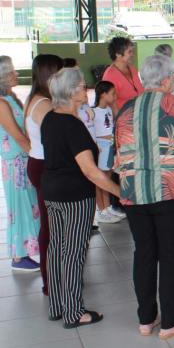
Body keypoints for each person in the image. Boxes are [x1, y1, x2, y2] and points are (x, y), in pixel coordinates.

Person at [114, 55, 174, 339]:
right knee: (170, 255)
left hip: (133, 191)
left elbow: (119, 151)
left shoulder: (125, 108)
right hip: (170, 191)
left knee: (144, 252)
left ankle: (146, 319)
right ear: (166, 80)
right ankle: (171, 321)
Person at [41, 68, 120, 328]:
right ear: (73, 92)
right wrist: (120, 192)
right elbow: (89, 170)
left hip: (52, 191)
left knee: (56, 248)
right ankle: (74, 312)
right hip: (74, 196)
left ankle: (57, 306)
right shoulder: (72, 125)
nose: (86, 90)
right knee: (73, 252)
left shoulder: (50, 118)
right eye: (83, 86)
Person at [24, 54, 63, 294]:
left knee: (50, 226)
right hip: (45, 166)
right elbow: (58, 140)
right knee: (50, 228)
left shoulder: (37, 98)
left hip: (40, 163)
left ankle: (53, 278)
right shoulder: (44, 104)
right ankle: (51, 281)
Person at [0, 56, 40, 272]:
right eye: (12, 72)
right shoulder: (1, 104)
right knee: (19, 206)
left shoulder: (10, 98)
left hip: (23, 158)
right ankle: (18, 256)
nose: (16, 75)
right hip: (15, 162)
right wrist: (37, 156)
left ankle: (28, 248)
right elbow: (18, 136)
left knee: (29, 204)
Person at [91, 81, 125, 225]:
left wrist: (114, 105)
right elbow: (92, 131)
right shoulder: (93, 112)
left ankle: (108, 207)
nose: (115, 96)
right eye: (112, 94)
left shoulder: (110, 110)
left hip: (110, 146)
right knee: (100, 179)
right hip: (101, 147)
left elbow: (118, 119)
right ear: (103, 94)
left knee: (108, 176)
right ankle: (101, 209)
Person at [102, 37, 144, 113]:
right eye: (129, 52)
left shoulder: (132, 69)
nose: (132, 54)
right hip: (123, 119)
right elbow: (110, 104)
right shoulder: (110, 76)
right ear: (118, 54)